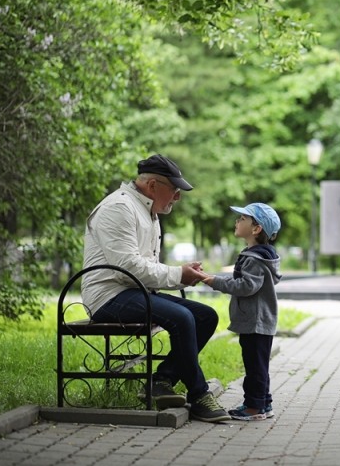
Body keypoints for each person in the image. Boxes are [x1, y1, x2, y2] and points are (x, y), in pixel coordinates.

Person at [81, 154, 229, 423]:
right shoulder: (119, 208)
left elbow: (142, 267)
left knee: (206, 316)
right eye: (174, 190)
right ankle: (199, 395)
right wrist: (178, 275)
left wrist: (182, 273)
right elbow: (127, 268)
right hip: (107, 296)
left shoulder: (147, 210)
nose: (177, 197)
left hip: (134, 292)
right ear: (152, 186)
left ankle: (160, 381)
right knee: (182, 317)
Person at [199, 202, 282, 421]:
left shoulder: (255, 258)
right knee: (259, 365)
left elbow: (246, 286)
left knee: (255, 366)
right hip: (257, 320)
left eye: (243, 219)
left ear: (256, 229)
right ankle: (264, 404)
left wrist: (215, 281)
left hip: (255, 321)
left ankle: (254, 408)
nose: (237, 221)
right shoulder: (256, 254)